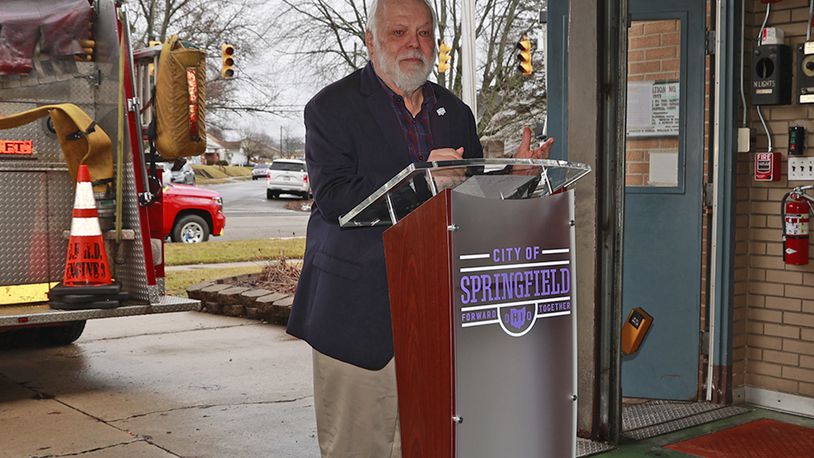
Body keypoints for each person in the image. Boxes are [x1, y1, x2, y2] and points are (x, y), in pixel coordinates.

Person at [286, 0, 554, 456]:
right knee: (360, 447)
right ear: (371, 41)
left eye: (425, 33)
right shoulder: (331, 108)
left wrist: (515, 176)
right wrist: (421, 178)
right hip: (358, 317)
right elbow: (335, 198)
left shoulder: (456, 112)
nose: (414, 43)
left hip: (438, 315)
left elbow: (466, 196)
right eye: (399, 32)